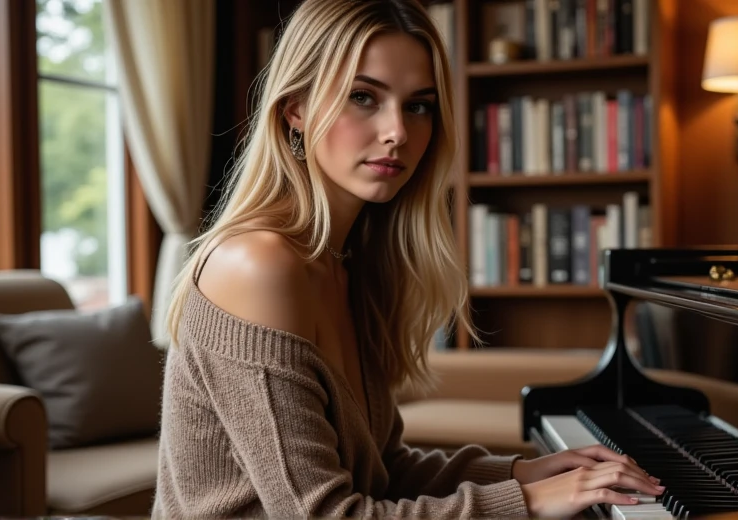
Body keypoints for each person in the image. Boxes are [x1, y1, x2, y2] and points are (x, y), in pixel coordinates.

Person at [151, 0, 665, 517]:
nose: (397, 131)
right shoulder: (258, 265)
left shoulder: (348, 264)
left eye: (418, 105)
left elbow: (381, 467)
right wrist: (527, 502)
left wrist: (518, 473)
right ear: (296, 109)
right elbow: (327, 513)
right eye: (363, 97)